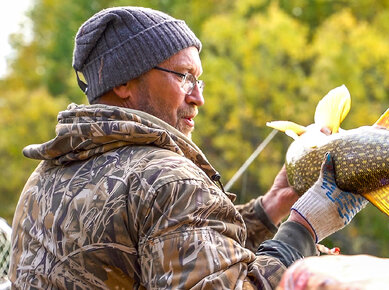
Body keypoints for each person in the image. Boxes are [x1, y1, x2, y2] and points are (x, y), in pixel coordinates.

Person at [9, 6, 367, 289]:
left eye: (200, 80)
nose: (199, 98)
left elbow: (171, 245)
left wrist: (269, 209)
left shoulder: (44, 178)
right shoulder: (167, 179)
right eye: (184, 77)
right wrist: (303, 229)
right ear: (125, 82)